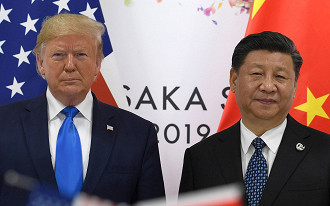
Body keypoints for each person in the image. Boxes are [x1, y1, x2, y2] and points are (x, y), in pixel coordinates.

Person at [0, 13, 165, 205]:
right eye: (59, 55)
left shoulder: (138, 134)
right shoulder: (3, 124)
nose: (70, 65)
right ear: (40, 63)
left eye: (80, 54)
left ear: (97, 63)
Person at [179, 31, 330, 205]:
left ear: (295, 86)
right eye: (257, 74)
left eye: (280, 77)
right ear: (234, 80)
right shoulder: (200, 157)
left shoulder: (325, 152)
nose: (267, 86)